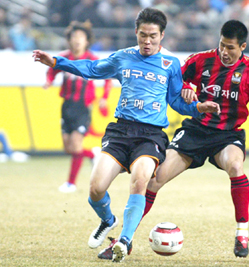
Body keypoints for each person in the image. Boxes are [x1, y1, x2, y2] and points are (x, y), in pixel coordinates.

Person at [97, 19, 249, 260]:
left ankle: (241, 233)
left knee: (235, 166)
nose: (225, 52)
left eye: (231, 47)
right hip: (195, 131)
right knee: (155, 180)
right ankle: (125, 240)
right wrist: (187, 86)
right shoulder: (201, 60)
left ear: (243, 47)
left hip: (228, 136)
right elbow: (174, 79)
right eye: (222, 45)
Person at [33, 7, 220, 263]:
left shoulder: (171, 64)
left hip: (151, 135)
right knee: (96, 189)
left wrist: (198, 107)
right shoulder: (123, 57)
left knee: (140, 180)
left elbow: (177, 101)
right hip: (120, 131)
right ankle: (108, 220)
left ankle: (124, 240)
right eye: (143, 34)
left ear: (162, 35)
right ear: (135, 32)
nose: (147, 40)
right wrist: (56, 62)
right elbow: (90, 68)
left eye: (153, 36)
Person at [42, 20, 112, 193]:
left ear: (87, 40)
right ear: (69, 40)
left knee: (75, 145)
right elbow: (51, 70)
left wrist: (104, 97)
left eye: (81, 37)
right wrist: (48, 81)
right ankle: (93, 155)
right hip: (66, 106)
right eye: (74, 37)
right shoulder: (63, 58)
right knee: (69, 148)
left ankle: (71, 183)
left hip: (83, 106)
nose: (77, 40)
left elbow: (107, 77)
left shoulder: (92, 59)